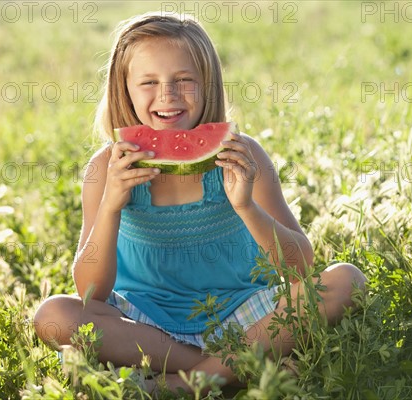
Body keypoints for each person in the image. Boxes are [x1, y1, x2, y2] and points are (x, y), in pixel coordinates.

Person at [33, 11, 366, 394]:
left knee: (346, 281)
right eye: (148, 82)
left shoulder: (244, 157)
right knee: (54, 314)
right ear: (123, 89)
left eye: (184, 80)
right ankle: (234, 371)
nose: (167, 95)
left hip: (246, 317)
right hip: (147, 327)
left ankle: (179, 386)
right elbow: (92, 292)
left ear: (209, 86)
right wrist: (110, 206)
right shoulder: (106, 169)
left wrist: (246, 207)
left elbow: (300, 268)